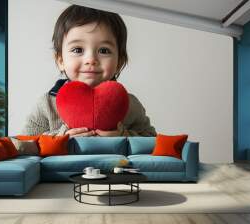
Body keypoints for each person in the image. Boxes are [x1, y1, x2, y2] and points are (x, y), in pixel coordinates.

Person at [23, 5, 156, 137]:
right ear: (60, 60)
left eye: (104, 50)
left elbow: (152, 139)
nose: (91, 59)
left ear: (119, 61)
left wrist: (124, 135)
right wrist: (61, 137)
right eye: (78, 50)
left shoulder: (129, 104)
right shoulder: (47, 104)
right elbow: (26, 141)